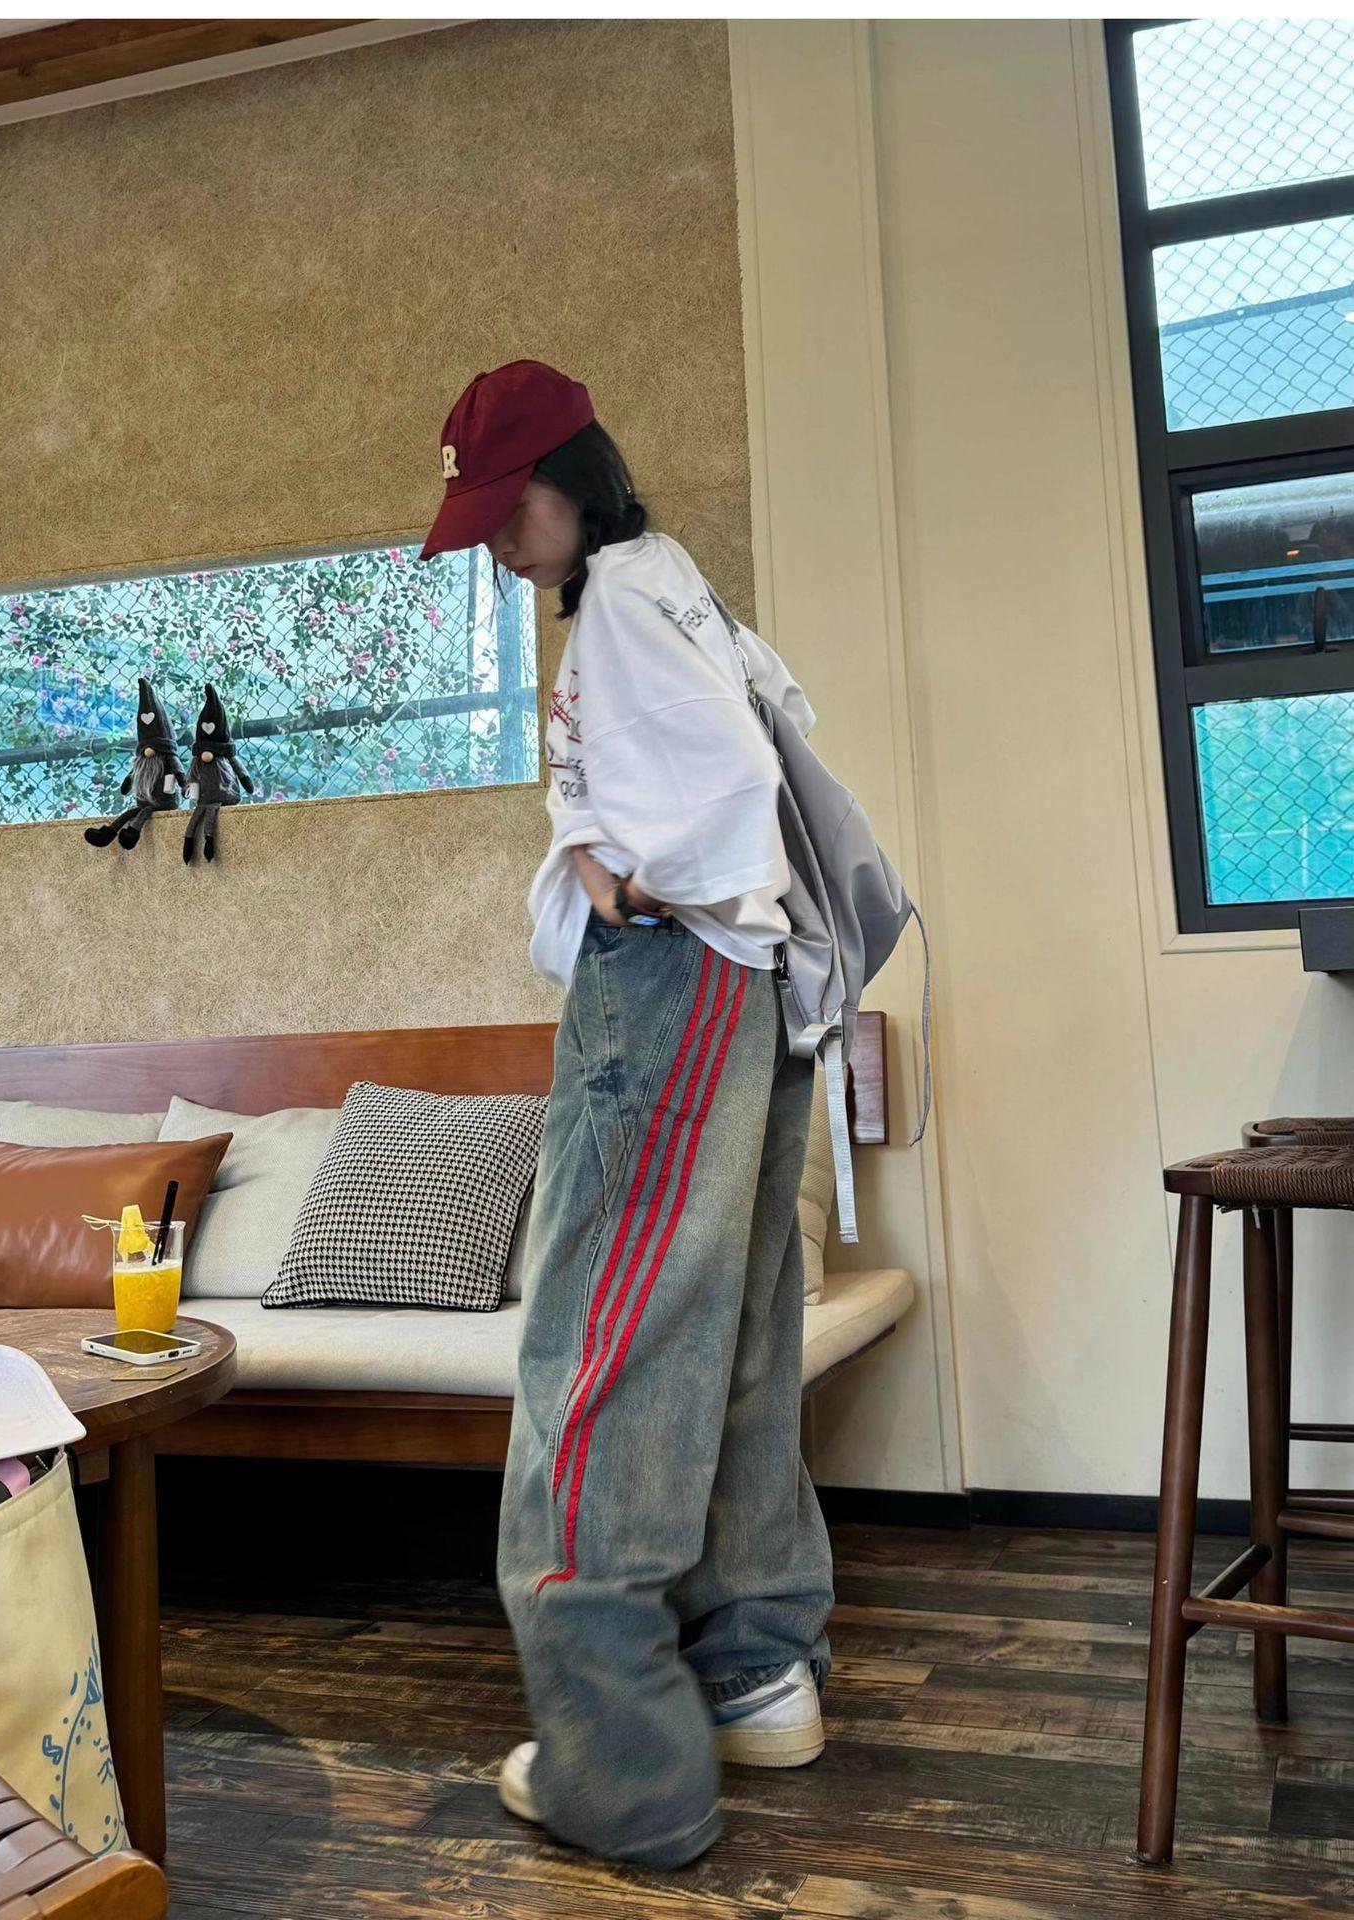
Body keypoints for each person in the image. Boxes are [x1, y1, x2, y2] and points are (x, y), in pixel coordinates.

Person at [419, 359, 834, 1870]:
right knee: (729, 1336)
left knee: (599, 1345)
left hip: (672, 981)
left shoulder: (615, 607)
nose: (493, 539)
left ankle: (620, 1765)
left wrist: (633, 876)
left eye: (505, 508)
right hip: (753, 985)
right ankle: (755, 1672)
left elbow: (723, 787)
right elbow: (777, 736)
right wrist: (607, 842)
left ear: (570, 480)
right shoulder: (673, 583)